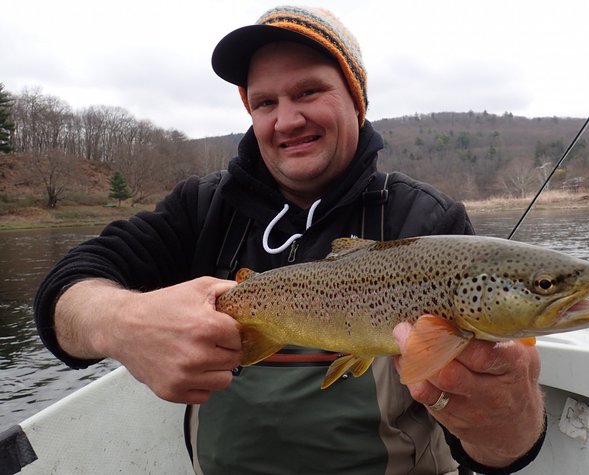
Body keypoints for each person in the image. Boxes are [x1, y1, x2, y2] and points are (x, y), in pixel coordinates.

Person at [34, 6, 545, 474]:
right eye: (265, 102)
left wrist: (508, 424)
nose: (287, 119)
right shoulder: (202, 208)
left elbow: (494, 456)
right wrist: (121, 322)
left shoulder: (426, 219)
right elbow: (65, 289)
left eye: (308, 92)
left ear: (356, 100)